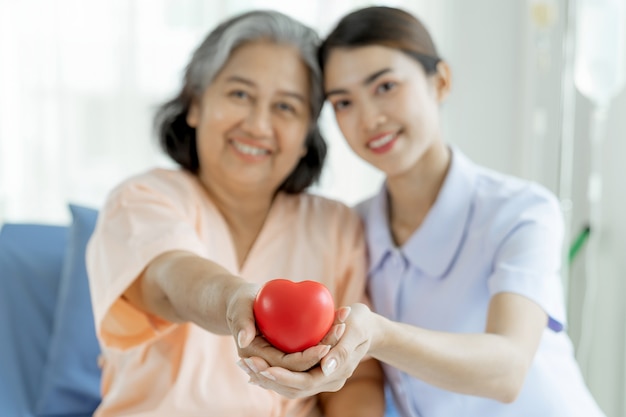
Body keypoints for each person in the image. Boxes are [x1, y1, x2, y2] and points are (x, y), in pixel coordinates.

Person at [241, 6, 606, 417]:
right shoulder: (351, 227)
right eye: (343, 102)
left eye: (385, 87)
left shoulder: (521, 211)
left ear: (441, 82)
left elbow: (507, 370)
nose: (369, 119)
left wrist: (379, 336)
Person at [85, 10, 384, 417]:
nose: (258, 125)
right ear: (195, 103)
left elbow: (359, 378)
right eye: (240, 94)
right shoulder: (141, 198)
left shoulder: (336, 226)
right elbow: (171, 279)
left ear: (305, 137)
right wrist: (234, 300)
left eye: (286, 107)